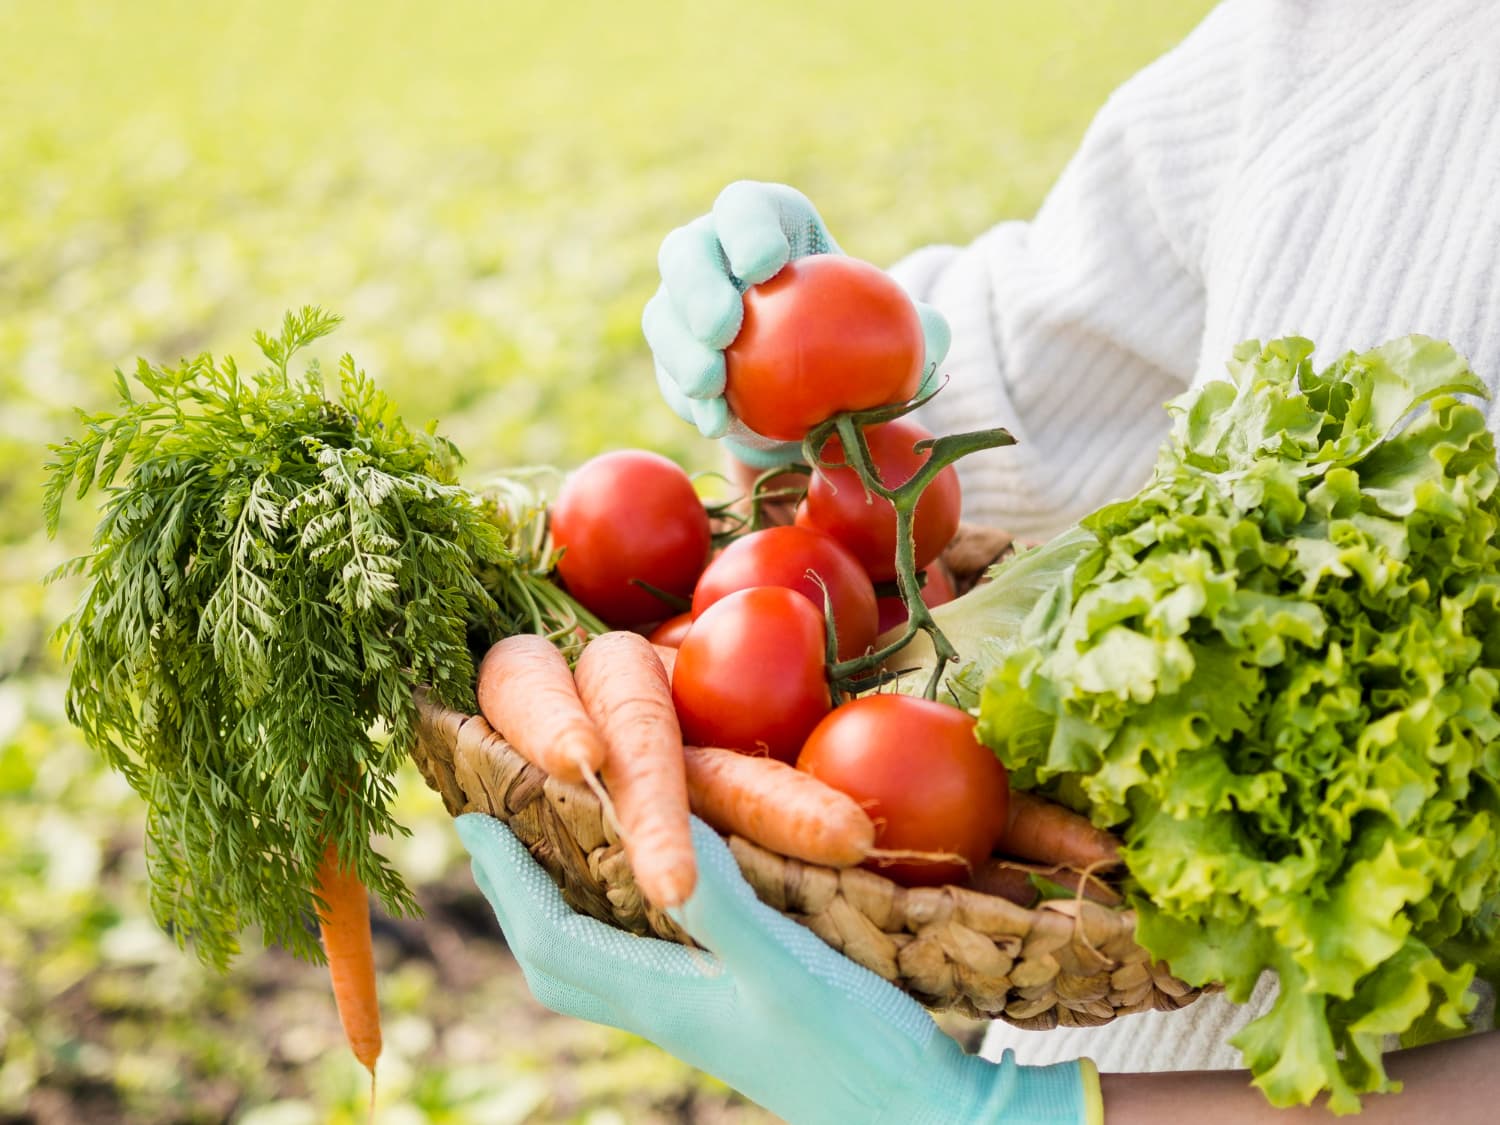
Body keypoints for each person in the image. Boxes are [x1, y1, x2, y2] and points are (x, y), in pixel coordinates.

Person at [459, 0, 1500, 1119]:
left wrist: (1005, 1113)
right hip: (1074, 1022)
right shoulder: (1344, 31)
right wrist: (814, 409)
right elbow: (1048, 372)